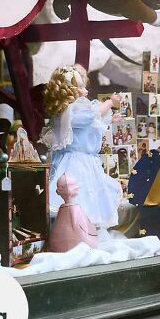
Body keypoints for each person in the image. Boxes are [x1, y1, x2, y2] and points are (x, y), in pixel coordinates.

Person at [40, 64, 123, 236]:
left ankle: (80, 233)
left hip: (78, 161)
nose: (84, 89)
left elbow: (89, 124)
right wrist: (110, 102)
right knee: (82, 199)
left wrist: (109, 119)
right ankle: (76, 234)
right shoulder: (74, 109)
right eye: (80, 85)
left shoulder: (70, 111)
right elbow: (92, 115)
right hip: (77, 164)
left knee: (83, 200)